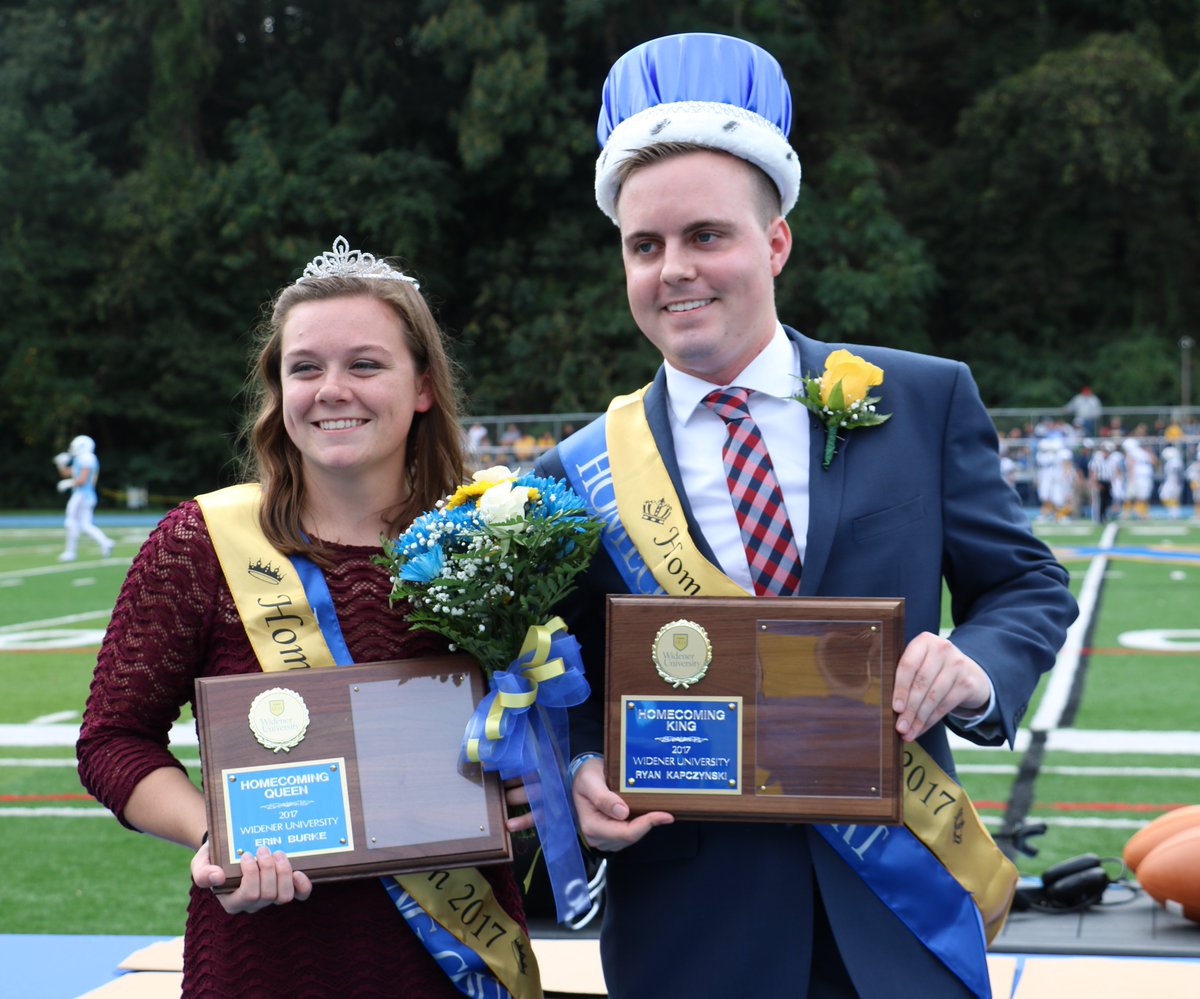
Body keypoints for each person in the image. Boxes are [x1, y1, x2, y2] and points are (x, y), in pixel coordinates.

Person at [532, 34, 1077, 999]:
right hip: (691, 930)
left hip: (898, 907)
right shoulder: (573, 476)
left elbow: (1025, 585)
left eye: (708, 235)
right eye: (644, 246)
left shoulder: (921, 397)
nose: (675, 271)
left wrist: (975, 667)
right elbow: (558, 679)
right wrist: (577, 771)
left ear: (775, 240)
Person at [77, 238, 537, 999]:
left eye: (364, 364)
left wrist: (545, 771)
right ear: (278, 389)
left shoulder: (493, 536)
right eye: (305, 368)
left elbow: (558, 713)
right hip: (267, 954)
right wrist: (214, 835)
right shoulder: (199, 543)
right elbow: (111, 740)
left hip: (456, 954)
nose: (332, 389)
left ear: (422, 385)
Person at [54, 435, 114, 561]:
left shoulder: (87, 458)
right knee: (85, 525)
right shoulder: (82, 459)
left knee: (71, 522)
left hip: (82, 495)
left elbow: (82, 480)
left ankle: (70, 552)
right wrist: (61, 464)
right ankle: (105, 542)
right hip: (85, 495)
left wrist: (68, 483)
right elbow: (67, 473)